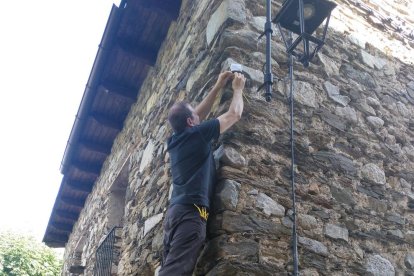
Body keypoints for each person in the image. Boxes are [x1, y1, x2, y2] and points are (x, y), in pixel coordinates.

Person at [158, 71, 246, 276]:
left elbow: (195, 116)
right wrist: (238, 89)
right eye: (195, 117)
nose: (199, 117)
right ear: (191, 122)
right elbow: (234, 114)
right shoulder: (196, 134)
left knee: (171, 267)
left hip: (175, 214)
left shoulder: (175, 140)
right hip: (191, 213)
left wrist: (217, 87)